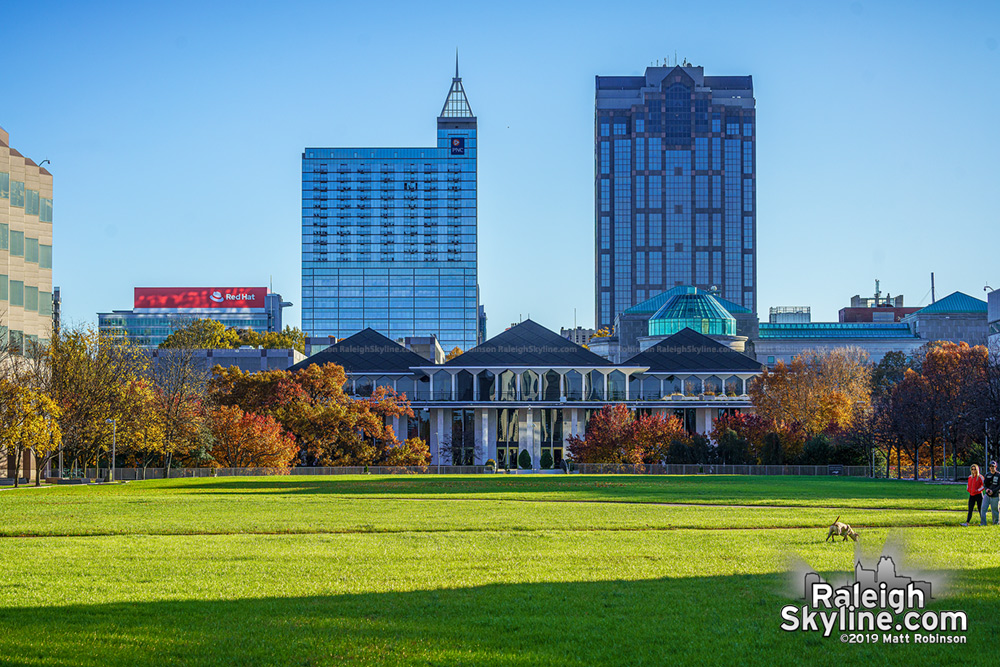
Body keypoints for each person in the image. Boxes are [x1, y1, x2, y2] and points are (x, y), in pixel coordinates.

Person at [981, 461, 1000, 526]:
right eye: (990, 466)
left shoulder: (998, 475)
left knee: (995, 511)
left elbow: (999, 486)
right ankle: (983, 523)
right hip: (987, 495)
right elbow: (985, 485)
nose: (991, 467)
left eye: (993, 466)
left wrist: (993, 491)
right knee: (983, 508)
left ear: (996, 467)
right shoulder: (987, 475)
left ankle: (995, 523)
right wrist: (987, 489)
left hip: (995, 496)